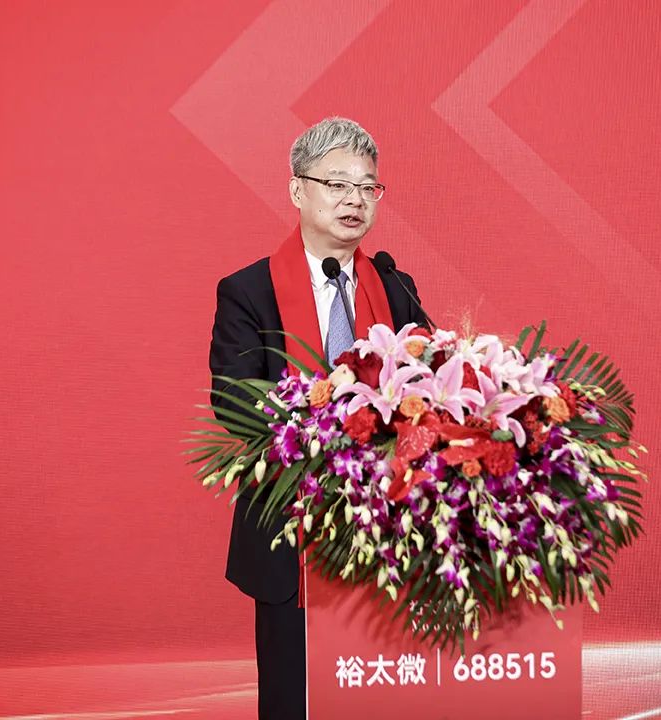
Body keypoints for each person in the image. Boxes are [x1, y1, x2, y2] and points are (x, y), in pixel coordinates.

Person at [208, 117, 430, 719]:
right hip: (292, 529)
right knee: (295, 699)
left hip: (390, 526)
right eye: (336, 184)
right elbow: (232, 399)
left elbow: (429, 381)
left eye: (367, 186)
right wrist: (326, 409)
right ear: (297, 190)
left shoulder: (395, 286)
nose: (354, 199)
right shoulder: (248, 291)